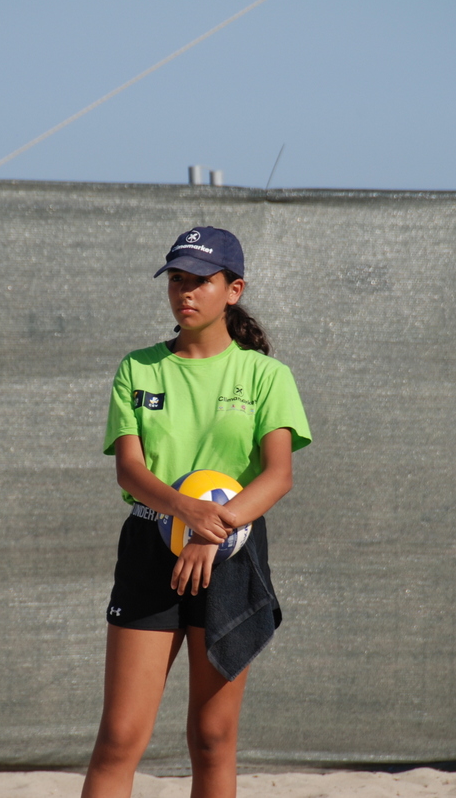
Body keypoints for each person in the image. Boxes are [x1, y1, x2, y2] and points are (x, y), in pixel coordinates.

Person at [82, 227, 312, 798]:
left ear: (234, 290)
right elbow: (130, 471)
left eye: (201, 281)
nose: (185, 292)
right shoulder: (139, 368)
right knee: (119, 737)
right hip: (150, 548)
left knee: (212, 738)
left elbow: (277, 475)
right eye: (177, 279)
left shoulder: (266, 375)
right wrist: (187, 512)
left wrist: (212, 532)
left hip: (229, 555)